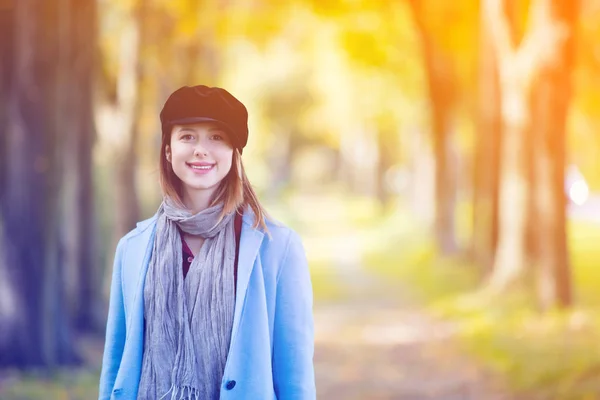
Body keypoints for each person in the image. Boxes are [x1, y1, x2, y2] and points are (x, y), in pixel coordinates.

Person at [98, 85, 315, 400]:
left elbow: (295, 377)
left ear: (234, 152)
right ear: (169, 150)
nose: (201, 149)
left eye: (217, 137)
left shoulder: (277, 247)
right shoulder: (132, 248)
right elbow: (116, 365)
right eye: (187, 136)